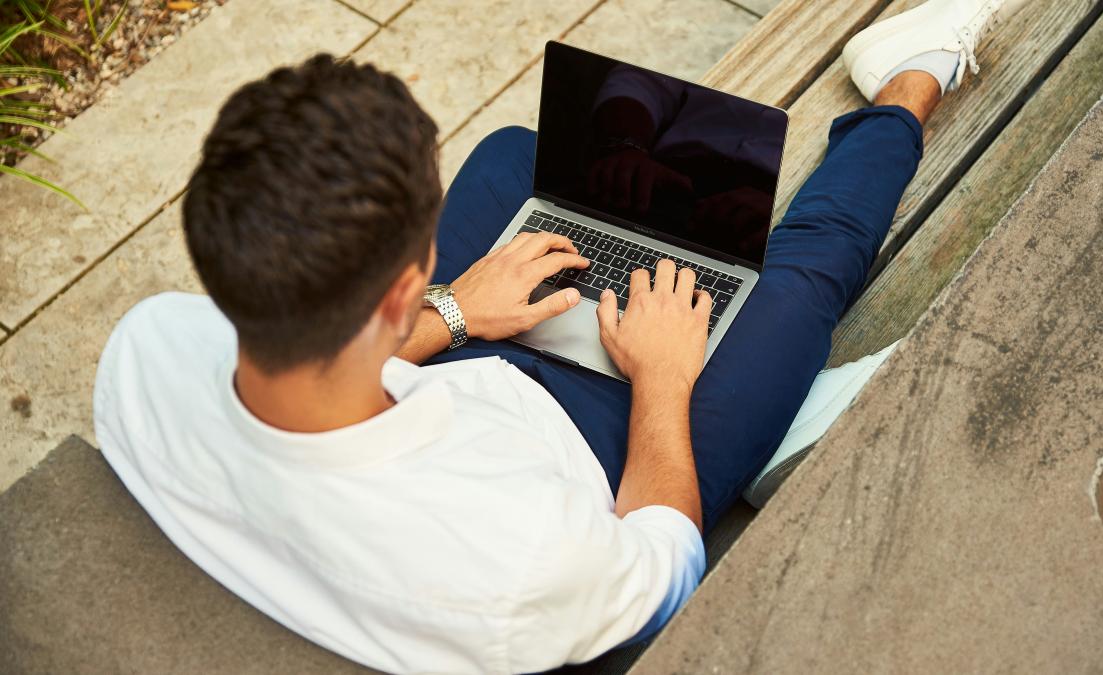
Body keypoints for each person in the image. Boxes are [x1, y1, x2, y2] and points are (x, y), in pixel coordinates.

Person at [93, 0, 1026, 671]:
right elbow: (666, 567)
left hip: (447, 373)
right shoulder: (524, 567)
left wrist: (455, 309)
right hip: (604, 453)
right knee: (805, 271)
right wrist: (662, 378)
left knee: (510, 159)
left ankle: (664, 195)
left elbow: (310, 380)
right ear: (396, 287)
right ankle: (910, 80)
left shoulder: (147, 350)